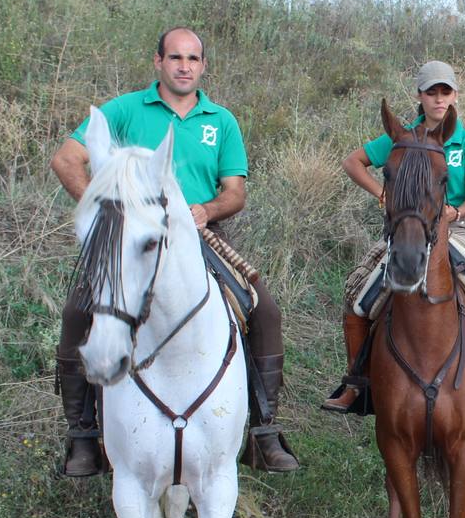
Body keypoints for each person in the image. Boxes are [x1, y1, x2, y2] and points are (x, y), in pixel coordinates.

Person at [50, 26, 300, 475]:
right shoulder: (125, 110)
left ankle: (263, 430)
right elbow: (66, 159)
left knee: (264, 312)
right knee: (77, 311)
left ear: (203, 66)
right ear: (158, 62)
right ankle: (83, 433)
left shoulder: (220, 120)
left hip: (203, 235)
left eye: (193, 59)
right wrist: (108, 213)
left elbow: (236, 192)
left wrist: (206, 208)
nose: (184, 66)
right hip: (134, 237)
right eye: (175, 58)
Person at [322, 60, 465, 411]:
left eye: (445, 92)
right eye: (431, 92)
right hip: (406, 228)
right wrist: (382, 194)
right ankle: (355, 384)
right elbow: (352, 162)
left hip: (454, 230)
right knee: (357, 296)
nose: (439, 99)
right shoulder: (401, 137)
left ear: (455, 95)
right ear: (419, 95)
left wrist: (457, 212)